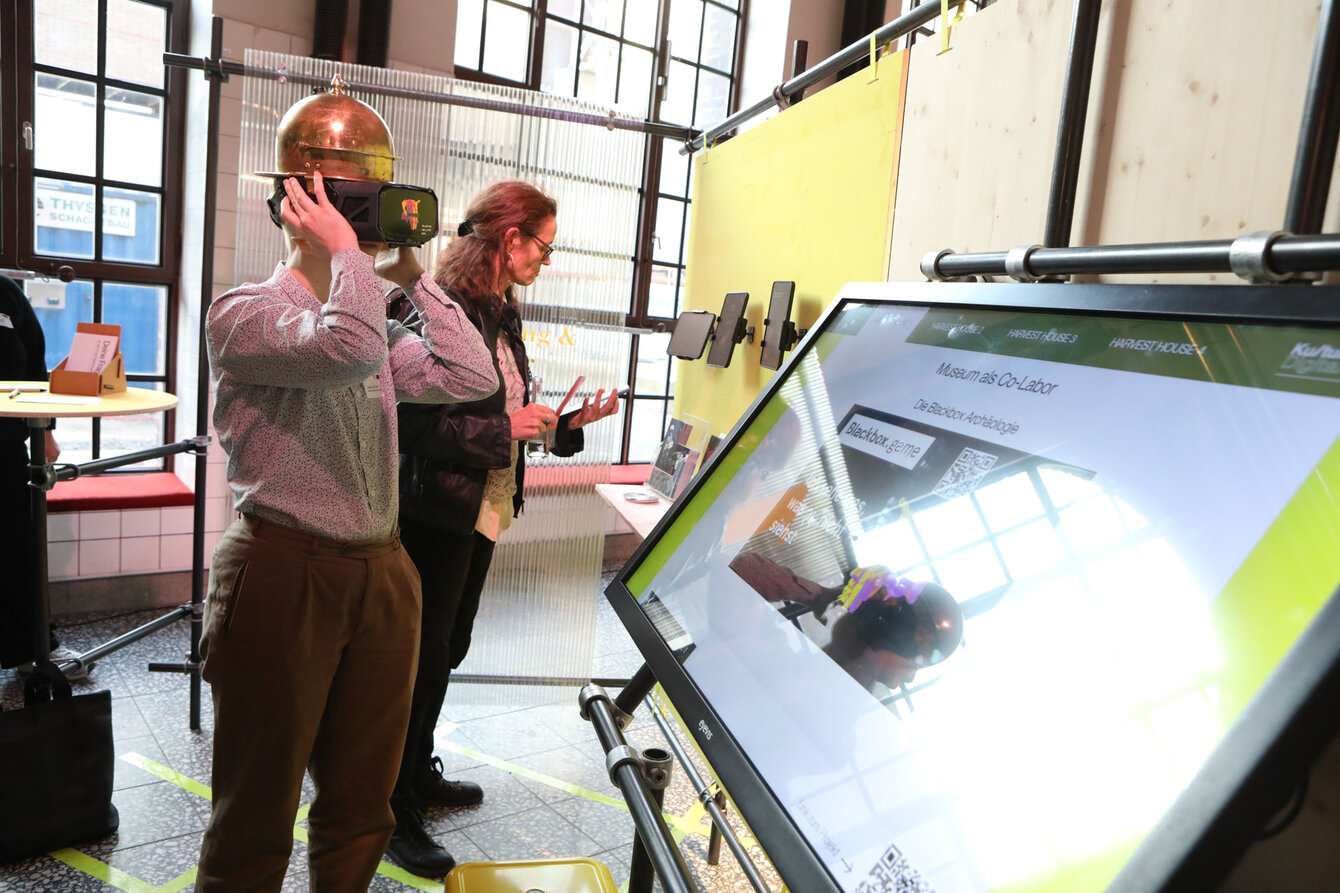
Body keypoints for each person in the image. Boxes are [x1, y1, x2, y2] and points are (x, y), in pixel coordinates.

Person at [196, 79, 497, 893]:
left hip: (382, 567)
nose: (356, 218)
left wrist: (416, 274)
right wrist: (353, 262)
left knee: (364, 804)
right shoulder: (242, 313)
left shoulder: (368, 312)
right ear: (292, 203)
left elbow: (469, 374)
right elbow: (349, 349)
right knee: (256, 811)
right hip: (284, 569)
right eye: (343, 202)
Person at [383, 179, 620, 877]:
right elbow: (409, 420)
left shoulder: (499, 311)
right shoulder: (435, 309)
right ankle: (393, 808)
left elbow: (512, 414)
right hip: (433, 510)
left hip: (482, 506)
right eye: (543, 245)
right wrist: (503, 426)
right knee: (417, 659)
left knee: (447, 646)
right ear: (509, 238)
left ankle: (417, 772)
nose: (546, 258)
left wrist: (567, 426)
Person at [0, 274, 61, 674]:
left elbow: (35, 366)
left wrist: (46, 432)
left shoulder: (5, 293)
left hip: (5, 449)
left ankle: (30, 650)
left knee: (17, 548)